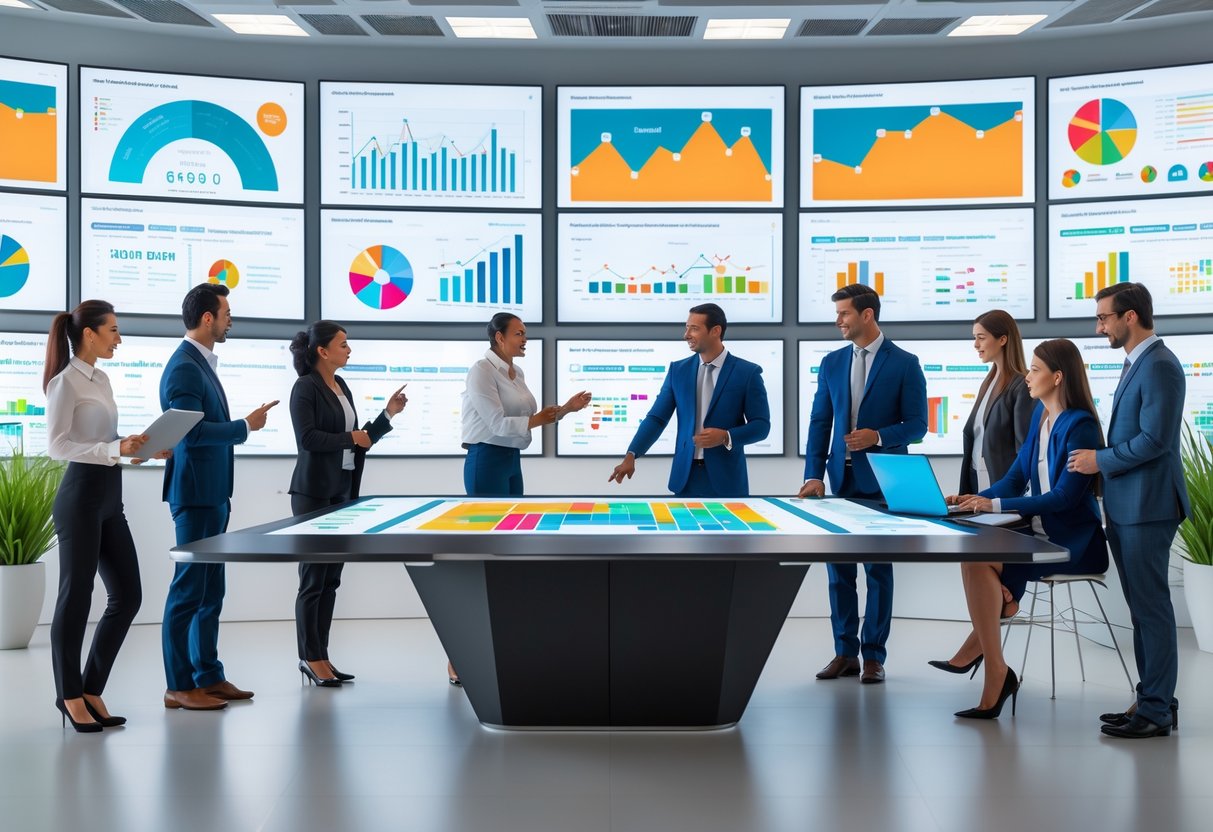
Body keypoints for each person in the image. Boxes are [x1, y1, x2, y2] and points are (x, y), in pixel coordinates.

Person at [941, 339, 1108, 719]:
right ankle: (997, 661)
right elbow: (1015, 479)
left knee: (980, 561)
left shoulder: (1080, 426)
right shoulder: (1040, 418)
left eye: (1034, 370)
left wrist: (996, 506)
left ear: (1057, 377)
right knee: (973, 556)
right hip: (1038, 534)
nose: (1027, 376)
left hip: (1073, 543)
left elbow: (1064, 497)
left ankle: (993, 658)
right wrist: (972, 499)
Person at [1068, 282, 1189, 739]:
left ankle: (1155, 711)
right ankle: (1153, 699)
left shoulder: (1159, 365)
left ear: (1130, 316)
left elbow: (1155, 440)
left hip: (1148, 506)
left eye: (1104, 318)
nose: (1099, 328)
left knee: (1150, 609)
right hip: (1128, 505)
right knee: (1141, 609)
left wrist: (1099, 460)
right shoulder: (1137, 362)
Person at [43, 301, 169, 732]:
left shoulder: (102, 379)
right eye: (113, 330)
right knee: (76, 597)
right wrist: (114, 449)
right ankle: (69, 695)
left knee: (128, 595)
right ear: (89, 334)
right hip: (79, 498)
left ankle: (91, 688)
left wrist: (138, 449)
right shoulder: (64, 382)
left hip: (109, 496)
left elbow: (104, 440)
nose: (119, 338)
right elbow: (58, 446)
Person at [799, 283, 927, 684]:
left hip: (883, 483)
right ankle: (844, 653)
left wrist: (879, 436)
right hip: (840, 481)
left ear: (867, 314)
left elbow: (918, 425)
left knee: (878, 572)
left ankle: (873, 656)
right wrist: (813, 475)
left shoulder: (904, 363)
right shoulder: (832, 362)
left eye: (844, 313)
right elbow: (820, 422)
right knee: (838, 572)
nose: (838, 320)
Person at [160, 283, 278, 711]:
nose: (231, 320)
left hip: (212, 494)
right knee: (188, 591)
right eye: (226, 313)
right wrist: (245, 426)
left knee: (211, 591)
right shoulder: (185, 367)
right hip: (195, 495)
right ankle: (179, 685)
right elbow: (191, 433)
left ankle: (208, 676)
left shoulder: (200, 363)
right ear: (207, 318)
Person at [457, 312, 590, 683]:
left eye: (525, 333)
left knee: (511, 554)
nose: (525, 339)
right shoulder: (482, 371)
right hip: (486, 460)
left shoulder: (516, 373)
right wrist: (543, 418)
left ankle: (504, 647)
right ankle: (461, 658)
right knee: (486, 559)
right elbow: (498, 424)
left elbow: (531, 418)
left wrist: (566, 409)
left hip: (511, 462)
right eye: (518, 333)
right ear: (499, 338)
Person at [288, 321, 406, 687]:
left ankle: (322, 656)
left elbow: (360, 439)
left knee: (331, 579)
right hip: (313, 492)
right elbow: (308, 438)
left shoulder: (342, 386)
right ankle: (310, 657)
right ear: (322, 351)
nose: (349, 349)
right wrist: (349, 437)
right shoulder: (305, 387)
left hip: (342, 490)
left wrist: (387, 415)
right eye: (343, 344)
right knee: (313, 579)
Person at [608, 303, 770, 497]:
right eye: (687, 328)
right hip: (685, 479)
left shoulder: (748, 373)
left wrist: (725, 436)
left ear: (715, 331)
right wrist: (632, 454)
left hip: (727, 482)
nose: (686, 335)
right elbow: (657, 418)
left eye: (694, 328)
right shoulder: (678, 371)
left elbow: (761, 426)